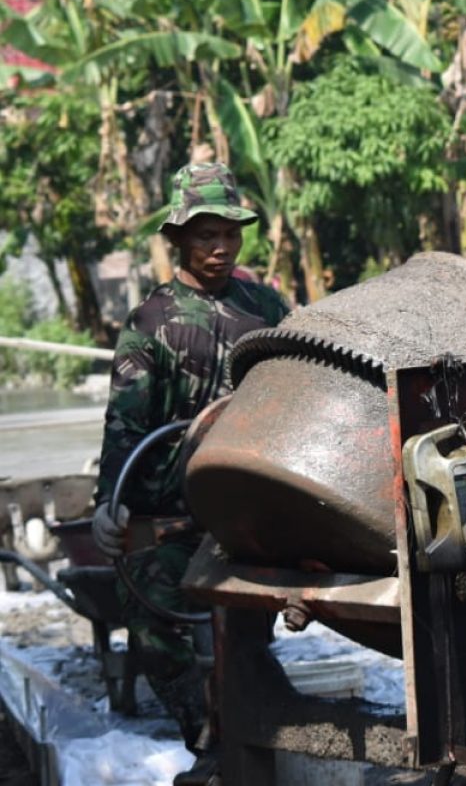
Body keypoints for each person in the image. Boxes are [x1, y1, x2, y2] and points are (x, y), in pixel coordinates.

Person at [91, 162, 290, 779]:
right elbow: (126, 423)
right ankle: (205, 738)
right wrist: (109, 505)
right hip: (168, 513)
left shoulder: (266, 309)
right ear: (177, 238)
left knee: (250, 639)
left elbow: (296, 397)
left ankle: (257, 737)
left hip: (241, 512)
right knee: (152, 629)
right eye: (205, 233)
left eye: (229, 233)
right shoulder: (151, 323)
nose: (219, 246)